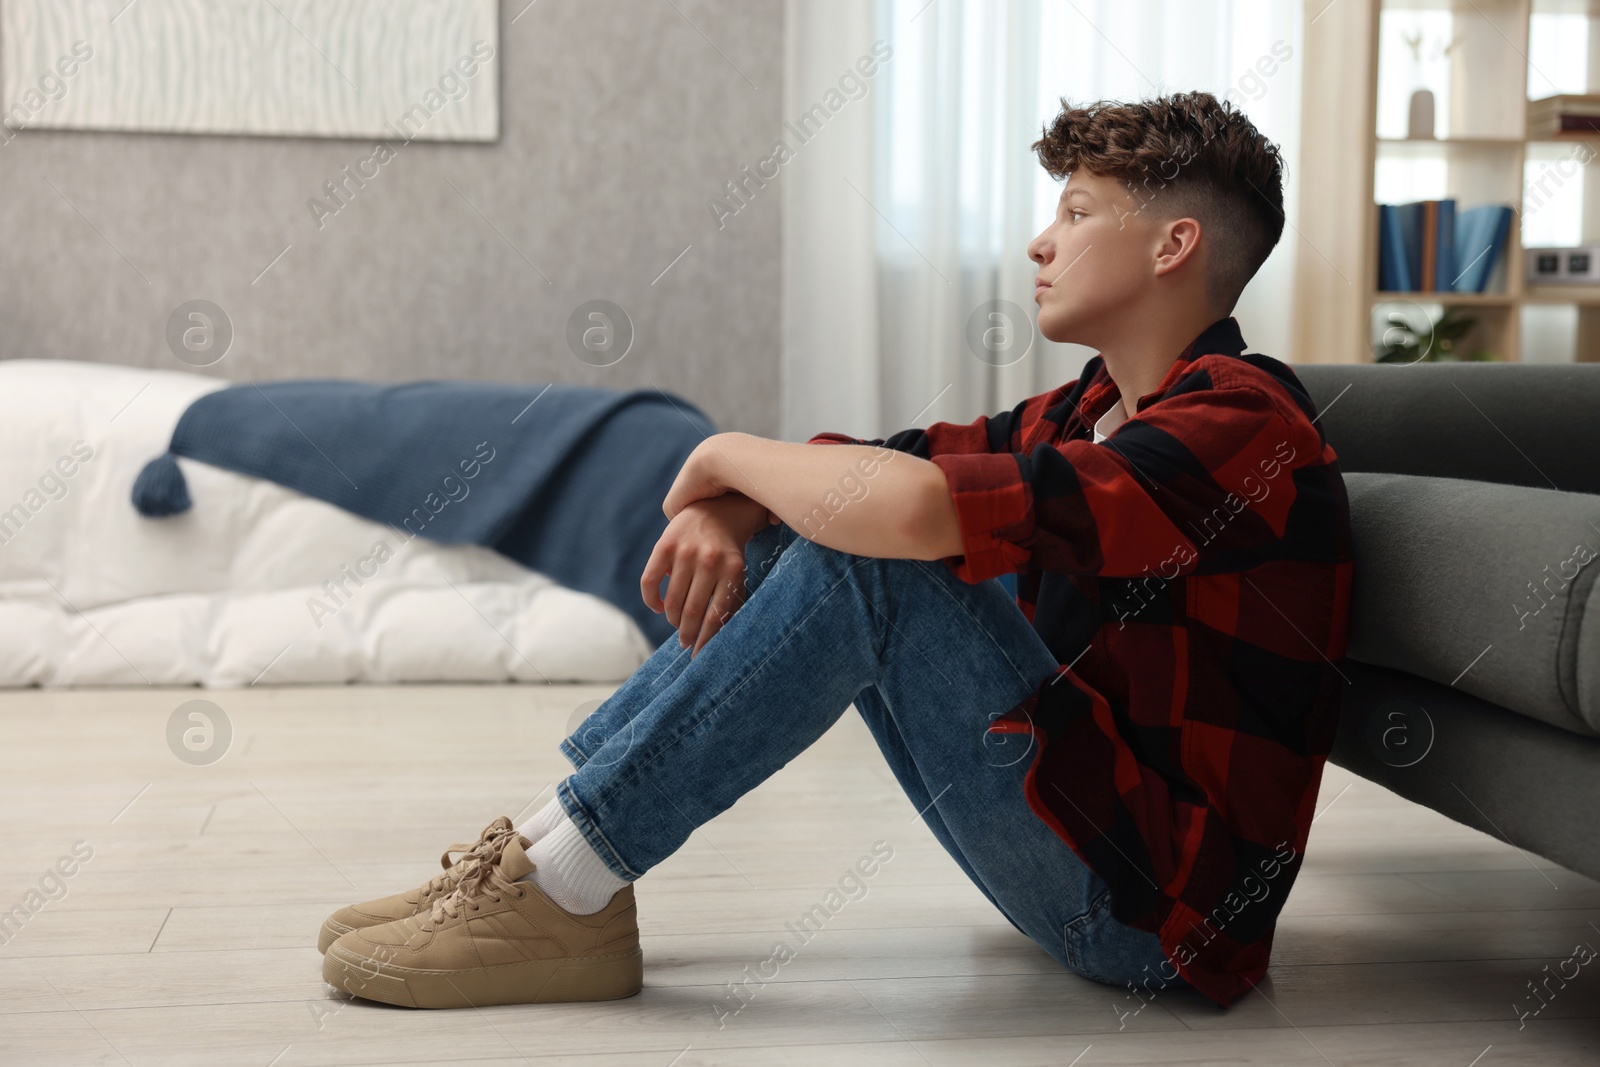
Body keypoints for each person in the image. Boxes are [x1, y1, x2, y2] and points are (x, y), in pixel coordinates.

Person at [317, 90, 1353, 1012]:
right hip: (1088, 843)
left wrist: (720, 452)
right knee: (836, 519)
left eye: (1076, 214)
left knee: (867, 555)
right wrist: (730, 506)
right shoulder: (1090, 411)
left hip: (1158, 922)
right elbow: (873, 465)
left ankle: (566, 883)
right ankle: (546, 859)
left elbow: (899, 513)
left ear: (1174, 247)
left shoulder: (1241, 428)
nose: (1041, 242)